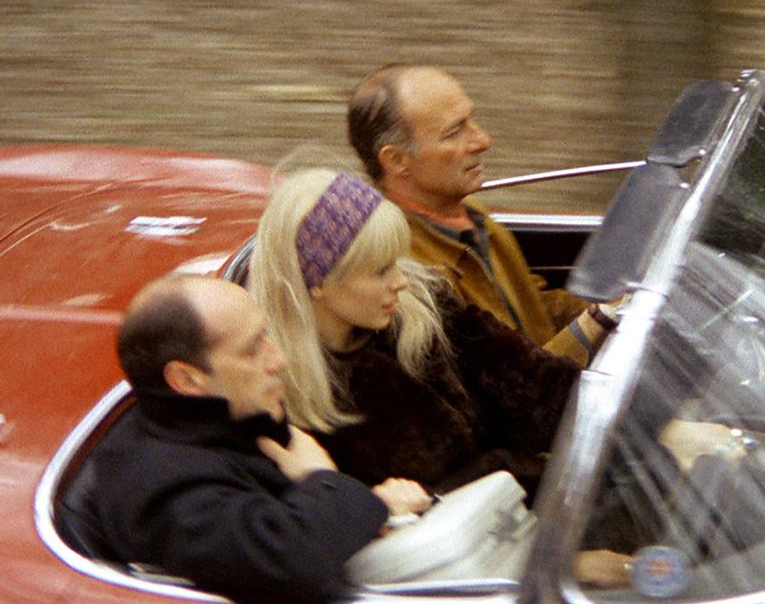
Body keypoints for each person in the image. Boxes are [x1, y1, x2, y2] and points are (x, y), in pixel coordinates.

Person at [89, 274, 432, 604]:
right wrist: (326, 482)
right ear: (187, 378)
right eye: (253, 349)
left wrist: (371, 509)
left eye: (267, 335)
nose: (279, 359)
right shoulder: (162, 488)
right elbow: (291, 566)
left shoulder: (227, 421)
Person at [248, 168, 582, 498]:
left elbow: (543, 389)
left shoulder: (427, 306)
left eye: (397, 262)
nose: (401, 281)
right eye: (381, 271)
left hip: (539, 498)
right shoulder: (279, 394)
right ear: (319, 284)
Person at [346, 64, 619, 366]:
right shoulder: (410, 273)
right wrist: (601, 318)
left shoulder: (473, 215)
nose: (482, 140)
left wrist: (622, 302)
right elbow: (505, 385)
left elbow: (534, 308)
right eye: (454, 133)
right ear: (396, 159)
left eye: (470, 121)